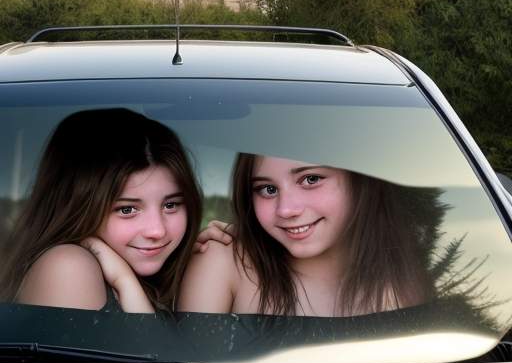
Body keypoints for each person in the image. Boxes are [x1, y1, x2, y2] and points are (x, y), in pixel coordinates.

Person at [178, 154, 436, 316]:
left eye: (311, 179)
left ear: (359, 180)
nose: (287, 209)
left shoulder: (403, 276)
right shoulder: (222, 263)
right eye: (267, 189)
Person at [0, 108, 202, 312]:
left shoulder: (154, 276)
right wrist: (125, 282)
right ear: (79, 207)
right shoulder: (68, 266)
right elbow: (150, 346)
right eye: (127, 209)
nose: (157, 231)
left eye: (171, 205)